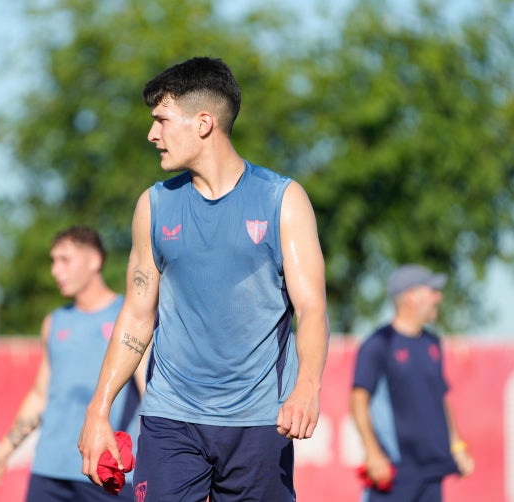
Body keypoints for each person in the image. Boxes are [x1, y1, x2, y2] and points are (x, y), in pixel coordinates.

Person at [77, 56, 330, 501]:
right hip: (171, 419)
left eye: (162, 120)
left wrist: (307, 386)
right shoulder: (153, 207)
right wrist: (99, 410)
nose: (152, 134)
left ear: (204, 123)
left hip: (259, 422)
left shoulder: (282, 200)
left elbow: (311, 309)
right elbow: (137, 316)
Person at [0, 226, 147, 501]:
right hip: (49, 472)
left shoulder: (131, 319)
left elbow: (149, 395)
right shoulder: (54, 323)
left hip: (104, 472)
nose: (56, 270)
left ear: (94, 260)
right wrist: (2, 453)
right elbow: (40, 395)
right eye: (53, 261)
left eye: (65, 260)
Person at [350, 264, 475, 501]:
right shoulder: (378, 344)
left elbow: (441, 397)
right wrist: (373, 453)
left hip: (432, 469)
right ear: (411, 297)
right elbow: (358, 401)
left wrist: (457, 447)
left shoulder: (432, 343)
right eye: (432, 291)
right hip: (395, 469)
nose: (438, 297)